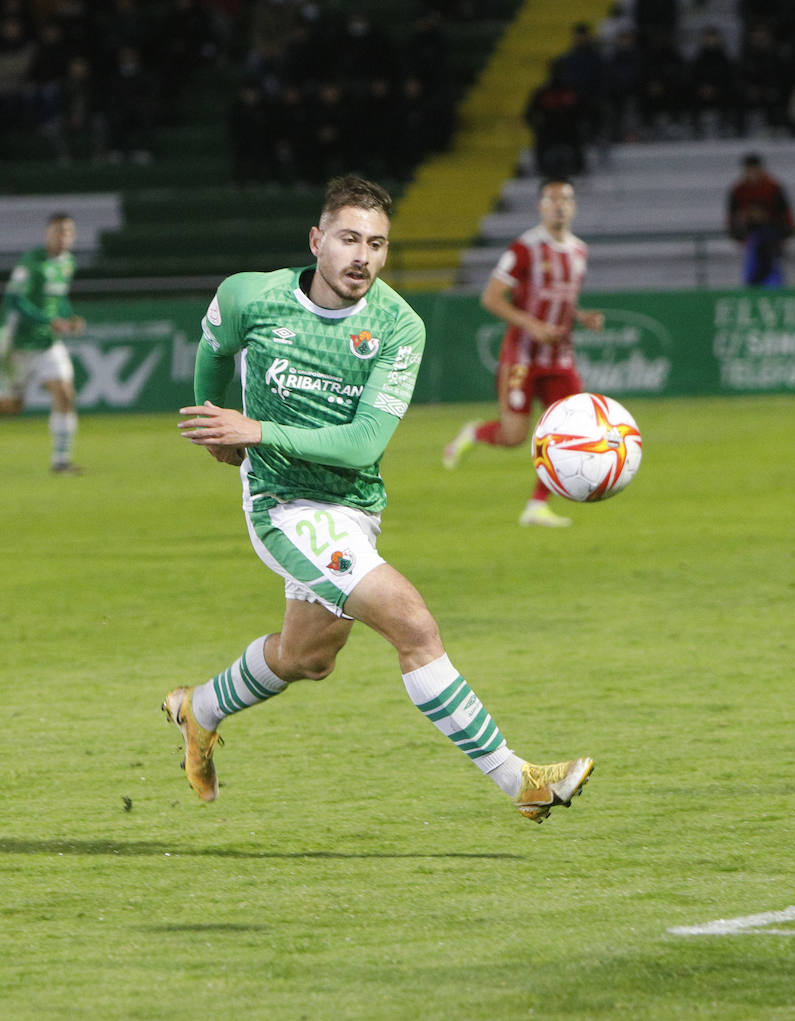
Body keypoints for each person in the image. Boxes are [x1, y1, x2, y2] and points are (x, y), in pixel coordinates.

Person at [166, 175, 593, 823]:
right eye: (347, 239)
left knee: (307, 655)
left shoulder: (399, 326)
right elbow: (215, 348)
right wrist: (213, 427)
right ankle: (521, 779)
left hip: (355, 502)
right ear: (317, 241)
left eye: (376, 243)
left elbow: (364, 443)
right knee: (412, 623)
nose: (361, 255)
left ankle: (198, 709)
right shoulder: (250, 295)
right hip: (284, 505)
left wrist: (253, 428)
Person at [442, 177, 604, 528]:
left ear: (573, 207)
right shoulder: (524, 248)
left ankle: (536, 506)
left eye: (566, 199)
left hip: (560, 358)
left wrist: (581, 316)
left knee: (570, 432)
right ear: (541, 206)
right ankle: (475, 432)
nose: (559, 204)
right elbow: (491, 297)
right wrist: (531, 325)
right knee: (514, 436)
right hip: (522, 356)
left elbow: (561, 298)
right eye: (552, 199)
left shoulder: (579, 252)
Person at [0, 213, 86, 473]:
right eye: (58, 232)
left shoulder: (67, 263)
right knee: (12, 406)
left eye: (68, 232)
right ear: (47, 234)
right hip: (17, 345)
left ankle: (61, 461)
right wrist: (48, 319)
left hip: (47, 343)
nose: (63, 237)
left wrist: (68, 318)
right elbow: (13, 300)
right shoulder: (32, 263)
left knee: (65, 392)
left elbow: (59, 298)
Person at [726, 153, 793, 287]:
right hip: (751, 238)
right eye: (749, 170)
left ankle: (773, 291)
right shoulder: (739, 190)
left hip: (772, 237)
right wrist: (739, 234)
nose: (752, 174)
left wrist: (783, 233)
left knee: (772, 270)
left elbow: (785, 214)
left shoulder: (773, 188)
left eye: (754, 170)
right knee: (752, 271)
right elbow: (732, 216)